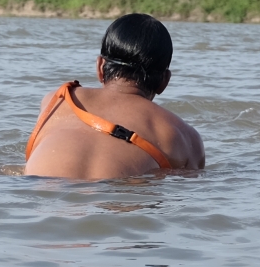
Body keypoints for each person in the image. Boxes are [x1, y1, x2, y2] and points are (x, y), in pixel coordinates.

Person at [24, 14, 205, 179]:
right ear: (164, 81)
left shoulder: (55, 101)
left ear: (100, 67)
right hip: (121, 207)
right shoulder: (184, 138)